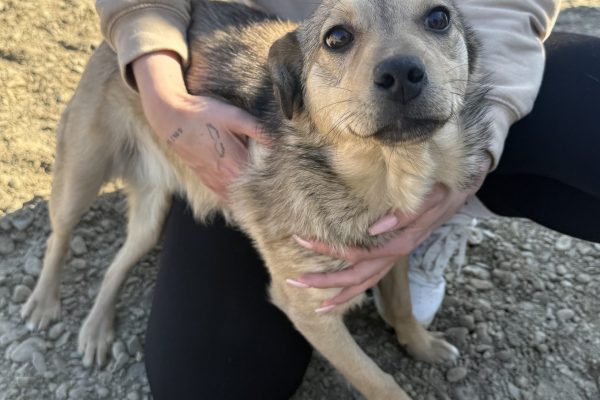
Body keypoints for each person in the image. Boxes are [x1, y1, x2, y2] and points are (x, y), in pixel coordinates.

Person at [95, 0, 600, 398]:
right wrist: (163, 93)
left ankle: (441, 213)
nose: (397, 66)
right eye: (341, 37)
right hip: (257, 94)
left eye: (434, 17)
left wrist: (479, 156)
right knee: (211, 382)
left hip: (473, 68)